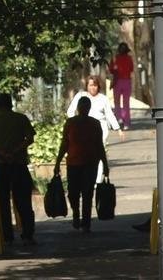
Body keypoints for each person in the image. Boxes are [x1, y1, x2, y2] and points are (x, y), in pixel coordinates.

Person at [0, 93, 36, 245]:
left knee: (2, 202)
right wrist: (15, 151)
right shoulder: (21, 119)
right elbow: (29, 138)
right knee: (24, 201)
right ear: (11, 104)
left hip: (0, 165)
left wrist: (2, 153)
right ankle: (28, 233)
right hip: (19, 164)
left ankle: (6, 235)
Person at [54, 96, 109, 233]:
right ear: (79, 108)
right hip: (74, 162)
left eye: (86, 106)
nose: (84, 109)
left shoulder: (94, 123)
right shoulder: (70, 123)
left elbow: (99, 145)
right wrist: (58, 162)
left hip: (90, 163)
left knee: (87, 193)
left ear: (88, 108)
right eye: (82, 106)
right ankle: (76, 214)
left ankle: (86, 222)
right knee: (73, 192)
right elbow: (64, 144)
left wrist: (105, 164)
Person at [66, 74, 119, 181]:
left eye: (95, 85)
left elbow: (109, 114)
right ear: (86, 86)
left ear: (98, 86)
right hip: (81, 131)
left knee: (97, 153)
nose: (93, 88)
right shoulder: (81, 96)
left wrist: (117, 128)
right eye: (90, 85)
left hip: (99, 129)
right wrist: (77, 122)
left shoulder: (103, 99)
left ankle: (97, 180)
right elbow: (70, 111)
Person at [110, 43, 135, 129]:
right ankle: (126, 123)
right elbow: (131, 69)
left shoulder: (115, 58)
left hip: (118, 81)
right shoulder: (129, 58)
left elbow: (111, 70)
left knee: (117, 102)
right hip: (126, 81)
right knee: (125, 103)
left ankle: (119, 118)